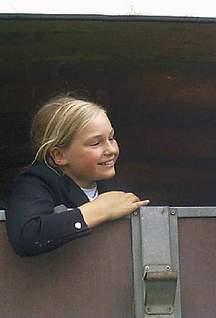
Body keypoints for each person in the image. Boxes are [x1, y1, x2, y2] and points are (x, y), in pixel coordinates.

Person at [6, 95, 149, 256]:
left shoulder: (113, 188)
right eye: (96, 143)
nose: (111, 150)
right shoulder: (36, 182)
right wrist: (99, 210)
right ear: (59, 155)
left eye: (111, 138)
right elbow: (27, 236)